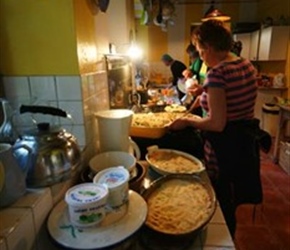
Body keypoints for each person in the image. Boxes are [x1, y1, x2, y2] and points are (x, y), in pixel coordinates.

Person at [168, 20, 263, 238]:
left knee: (221, 195)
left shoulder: (217, 73)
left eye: (201, 52)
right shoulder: (246, 65)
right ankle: (231, 231)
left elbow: (216, 123)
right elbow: (233, 97)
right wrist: (206, 90)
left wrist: (188, 121)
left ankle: (221, 236)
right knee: (234, 192)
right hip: (244, 142)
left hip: (223, 147)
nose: (201, 57)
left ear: (209, 47)